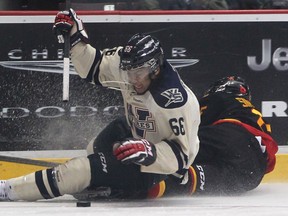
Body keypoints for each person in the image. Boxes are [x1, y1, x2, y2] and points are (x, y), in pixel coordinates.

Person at [0, 8, 200, 201]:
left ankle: (8, 190)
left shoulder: (173, 100)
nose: (133, 80)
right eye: (129, 73)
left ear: (155, 69)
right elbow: (92, 67)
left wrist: (151, 153)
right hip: (137, 135)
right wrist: (75, 37)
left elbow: (181, 157)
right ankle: (108, 181)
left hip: (158, 168)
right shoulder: (128, 63)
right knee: (95, 147)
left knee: (79, 171)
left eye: (138, 73)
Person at [148, 76, 278, 197]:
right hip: (253, 173)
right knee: (192, 180)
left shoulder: (220, 98)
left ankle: (144, 164)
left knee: (179, 149)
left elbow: (192, 124)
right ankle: (156, 187)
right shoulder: (252, 113)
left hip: (230, 136)